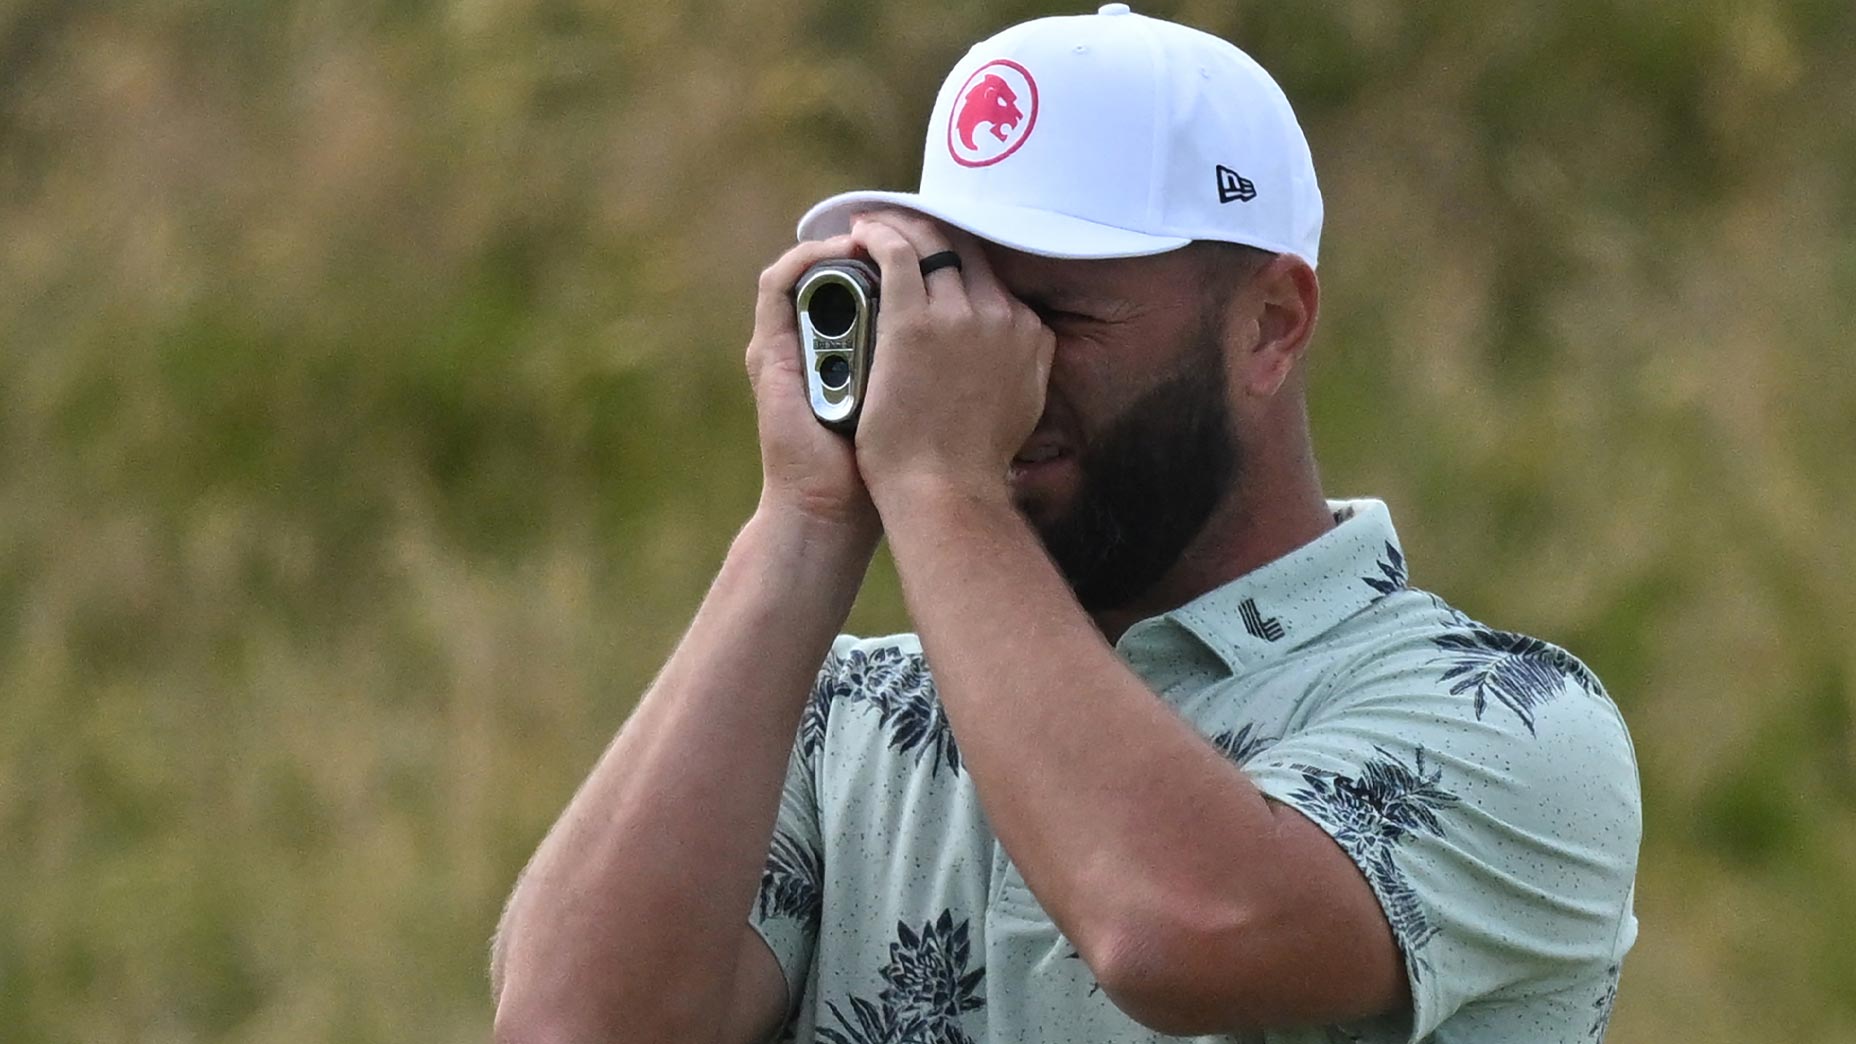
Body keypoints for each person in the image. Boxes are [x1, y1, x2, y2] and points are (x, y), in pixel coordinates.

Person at [489, 6, 1641, 1043]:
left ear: (1269, 326)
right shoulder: (838, 714)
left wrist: (941, 486)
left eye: (1051, 312)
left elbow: (1177, 928)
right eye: (953, 306)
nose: (988, 366)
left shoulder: (1510, 726)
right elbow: (566, 1025)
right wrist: (804, 519)